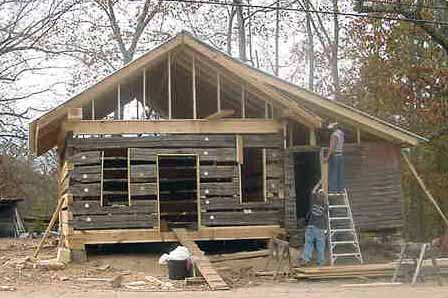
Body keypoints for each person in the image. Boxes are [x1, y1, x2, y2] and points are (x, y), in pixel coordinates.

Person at [301, 190, 327, 266]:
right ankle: (320, 261)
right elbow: (326, 216)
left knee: (308, 244)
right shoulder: (325, 206)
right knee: (321, 246)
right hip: (320, 228)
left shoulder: (313, 204)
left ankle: (306, 259)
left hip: (311, 227)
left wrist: (317, 188)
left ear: (317, 197)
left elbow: (312, 192)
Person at [324, 122, 345, 193]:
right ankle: (341, 189)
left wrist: (327, 157)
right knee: (340, 173)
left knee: (333, 173)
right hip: (340, 155)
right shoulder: (341, 133)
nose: (331, 130)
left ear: (334, 127)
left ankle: (334, 190)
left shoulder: (334, 135)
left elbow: (332, 147)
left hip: (335, 156)